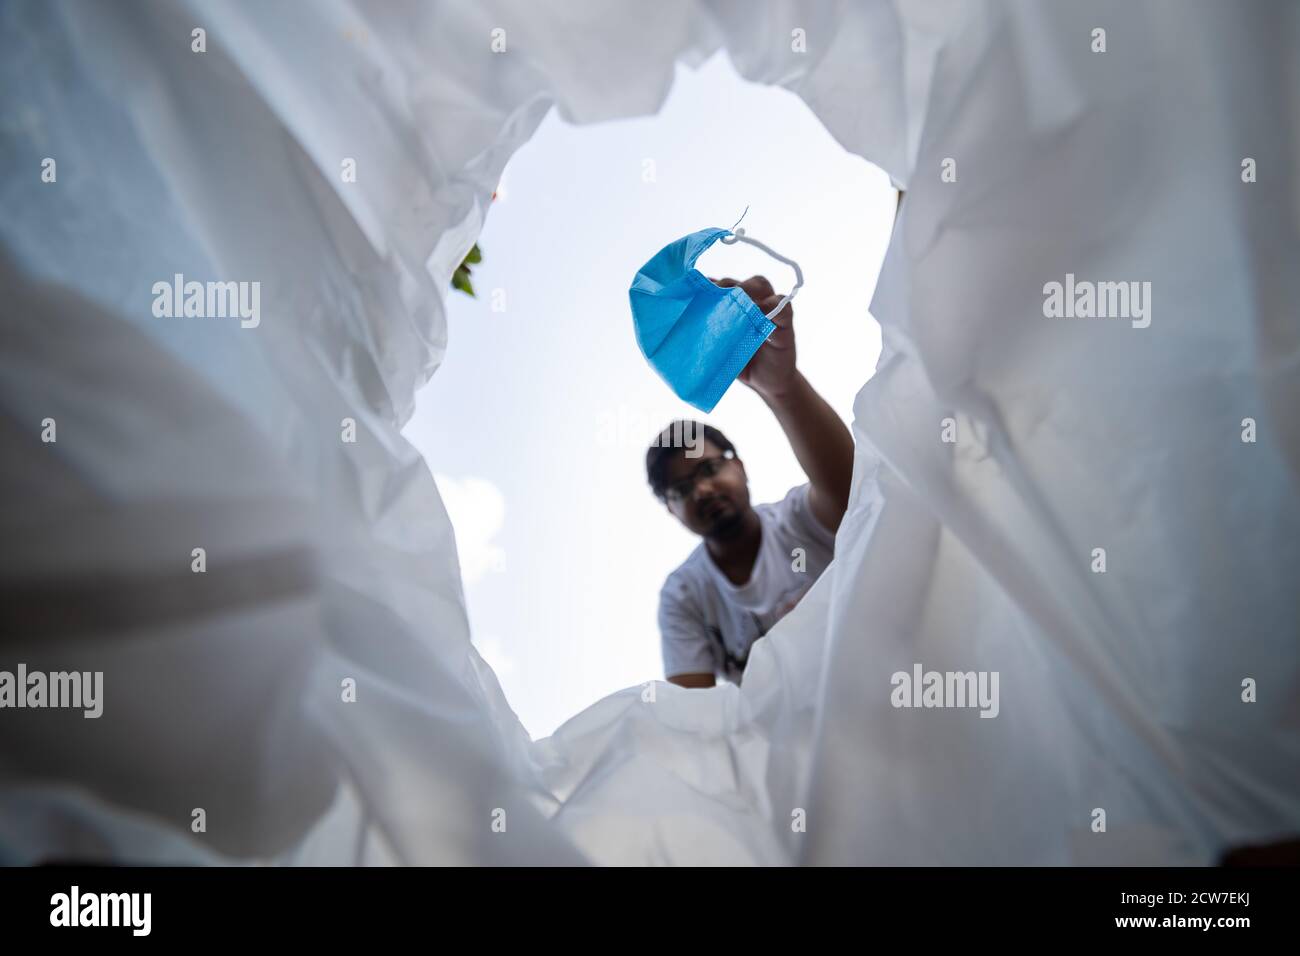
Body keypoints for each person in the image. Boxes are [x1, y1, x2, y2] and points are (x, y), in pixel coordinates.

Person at [646, 275, 854, 688]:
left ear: (739, 466)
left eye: (708, 469)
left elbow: (852, 490)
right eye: (682, 490)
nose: (702, 490)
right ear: (671, 510)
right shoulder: (684, 596)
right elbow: (695, 716)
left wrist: (781, 389)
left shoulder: (795, 521)